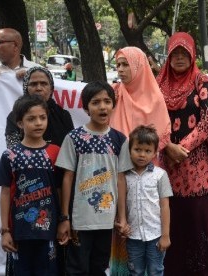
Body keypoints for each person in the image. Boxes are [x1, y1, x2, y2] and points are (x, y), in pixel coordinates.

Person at [156, 32, 208, 275]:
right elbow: (151, 117)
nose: (179, 58)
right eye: (175, 53)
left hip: (198, 170)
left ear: (192, 54)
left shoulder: (203, 82)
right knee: (172, 223)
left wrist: (181, 148)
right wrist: (167, 146)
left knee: (198, 223)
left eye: (184, 53)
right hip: (166, 165)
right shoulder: (158, 84)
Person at [55, 81, 132, 275]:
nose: (102, 106)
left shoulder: (119, 139)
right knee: (77, 268)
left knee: (100, 266)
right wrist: (65, 217)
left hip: (107, 220)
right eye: (96, 102)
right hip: (80, 220)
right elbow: (67, 178)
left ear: (113, 105)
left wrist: (122, 217)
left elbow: (121, 179)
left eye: (107, 101)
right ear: (86, 108)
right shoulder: (74, 138)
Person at [108, 46, 171, 275]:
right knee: (125, 234)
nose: (122, 70)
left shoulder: (155, 98)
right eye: (119, 65)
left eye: (126, 65)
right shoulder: (115, 93)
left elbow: (161, 139)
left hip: (148, 176)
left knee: (152, 253)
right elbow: (89, 97)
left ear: (138, 66)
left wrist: (140, 156)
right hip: (119, 174)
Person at [0, 94, 61, 275]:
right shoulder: (10, 155)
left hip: (49, 232)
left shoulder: (55, 152)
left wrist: (63, 221)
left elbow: (60, 190)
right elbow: (5, 193)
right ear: (20, 123)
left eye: (42, 117)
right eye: (31, 119)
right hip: (19, 234)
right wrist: (5, 230)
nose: (38, 123)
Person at [125, 125, 173, 276]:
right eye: (137, 149)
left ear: (155, 153)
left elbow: (165, 206)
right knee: (136, 271)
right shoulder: (124, 176)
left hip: (156, 236)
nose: (142, 155)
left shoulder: (160, 175)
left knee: (155, 271)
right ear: (130, 150)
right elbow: (121, 204)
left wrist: (165, 236)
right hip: (133, 236)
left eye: (147, 151)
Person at [5, 67, 74, 149]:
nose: (39, 88)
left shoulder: (63, 115)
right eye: (33, 84)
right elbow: (13, 151)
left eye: (44, 84)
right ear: (26, 88)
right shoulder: (15, 116)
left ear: (51, 88)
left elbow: (71, 149)